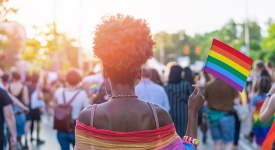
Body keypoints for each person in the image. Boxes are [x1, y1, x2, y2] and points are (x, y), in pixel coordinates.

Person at [75, 14, 205, 150]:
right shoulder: (157, 115)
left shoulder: (88, 116)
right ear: (139, 74)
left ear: (105, 72)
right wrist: (193, 112)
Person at [54, 69, 90, 150]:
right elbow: (88, 111)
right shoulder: (82, 94)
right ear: (78, 79)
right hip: (76, 129)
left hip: (61, 128)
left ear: (66, 79)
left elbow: (54, 106)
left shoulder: (59, 92)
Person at [204, 77, 240, 150]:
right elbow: (237, 102)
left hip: (213, 116)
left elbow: (205, 103)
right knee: (229, 142)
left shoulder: (208, 85)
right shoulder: (232, 85)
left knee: (217, 142)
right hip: (227, 116)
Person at [164, 65, 193, 137]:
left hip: (169, 114)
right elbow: (192, 99)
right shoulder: (185, 84)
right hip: (183, 113)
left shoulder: (166, 86)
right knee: (183, 134)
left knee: (171, 135)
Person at [7, 71, 29, 148]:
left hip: (9, 110)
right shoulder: (23, 87)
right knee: (18, 134)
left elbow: (6, 98)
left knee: (10, 132)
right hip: (20, 111)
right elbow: (26, 101)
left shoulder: (8, 86)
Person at [251, 76, 272, 148]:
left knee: (259, 144)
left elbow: (253, 111)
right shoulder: (271, 97)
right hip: (270, 123)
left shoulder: (255, 97)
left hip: (258, 123)